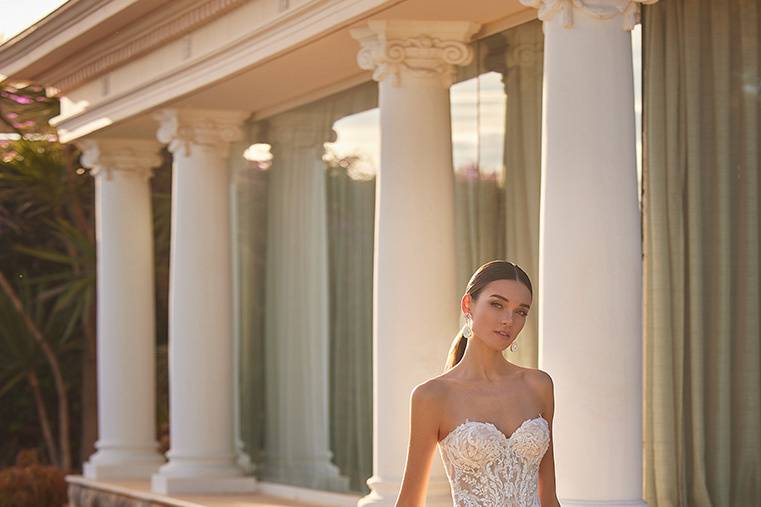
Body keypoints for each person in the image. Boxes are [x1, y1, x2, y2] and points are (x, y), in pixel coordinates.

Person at [394, 260, 561, 507]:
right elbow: (409, 502)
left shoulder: (539, 385)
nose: (508, 320)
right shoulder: (432, 396)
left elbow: (549, 498)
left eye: (521, 311)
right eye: (497, 304)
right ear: (467, 305)